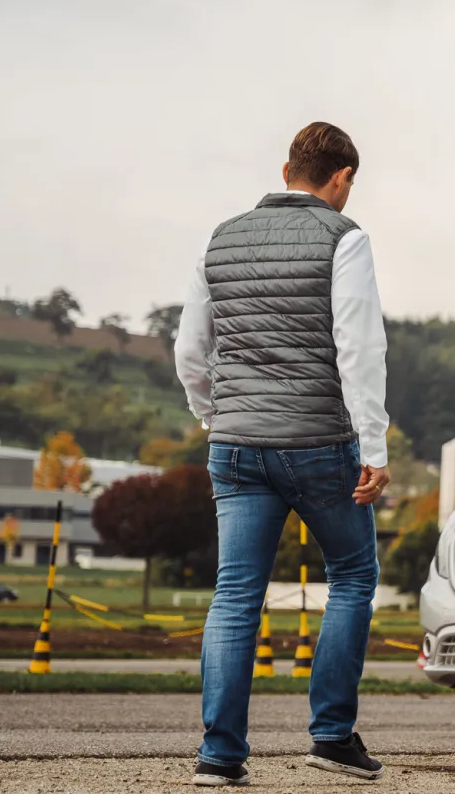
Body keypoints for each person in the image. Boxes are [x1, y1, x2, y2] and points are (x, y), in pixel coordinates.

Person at [175, 121, 390, 786]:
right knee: (352, 575)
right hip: (317, 443)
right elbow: (359, 347)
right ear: (342, 178)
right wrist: (374, 445)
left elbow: (190, 349)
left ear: (286, 167)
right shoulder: (344, 238)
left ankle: (220, 755)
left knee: (236, 594)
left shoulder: (222, 236)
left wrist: (213, 413)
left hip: (236, 446)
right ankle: (330, 735)